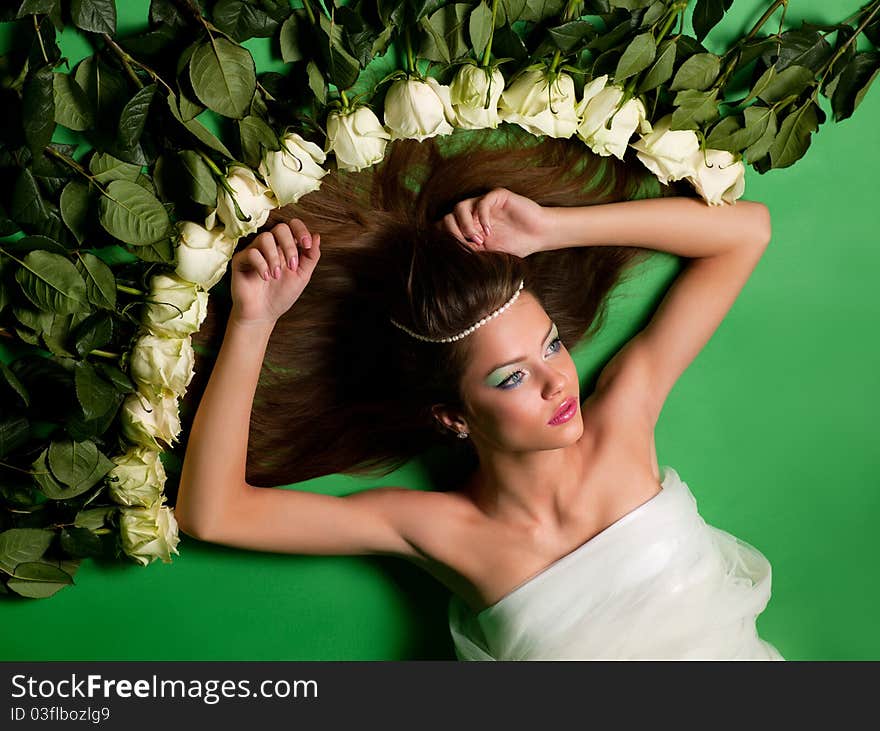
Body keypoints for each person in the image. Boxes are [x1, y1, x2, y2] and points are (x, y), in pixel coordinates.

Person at [174, 129, 782, 660]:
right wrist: (253, 323)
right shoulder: (441, 530)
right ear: (453, 417)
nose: (555, 381)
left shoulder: (624, 421)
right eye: (511, 377)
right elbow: (213, 513)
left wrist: (549, 230)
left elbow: (746, 233)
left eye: (550, 345)